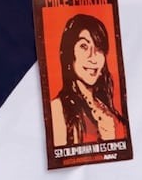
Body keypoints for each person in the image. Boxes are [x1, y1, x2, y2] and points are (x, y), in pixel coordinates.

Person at [50, 14, 127, 147]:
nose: (93, 57)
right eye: (84, 46)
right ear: (69, 52)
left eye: (99, 49)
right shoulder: (58, 108)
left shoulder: (108, 108)